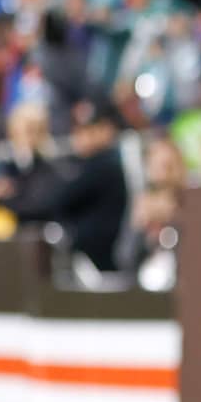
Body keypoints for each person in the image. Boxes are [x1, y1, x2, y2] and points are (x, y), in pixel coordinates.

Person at [44, 98, 130, 272]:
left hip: (99, 257)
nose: (81, 138)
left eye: (89, 131)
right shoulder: (95, 164)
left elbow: (60, 200)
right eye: (79, 131)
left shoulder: (104, 164)